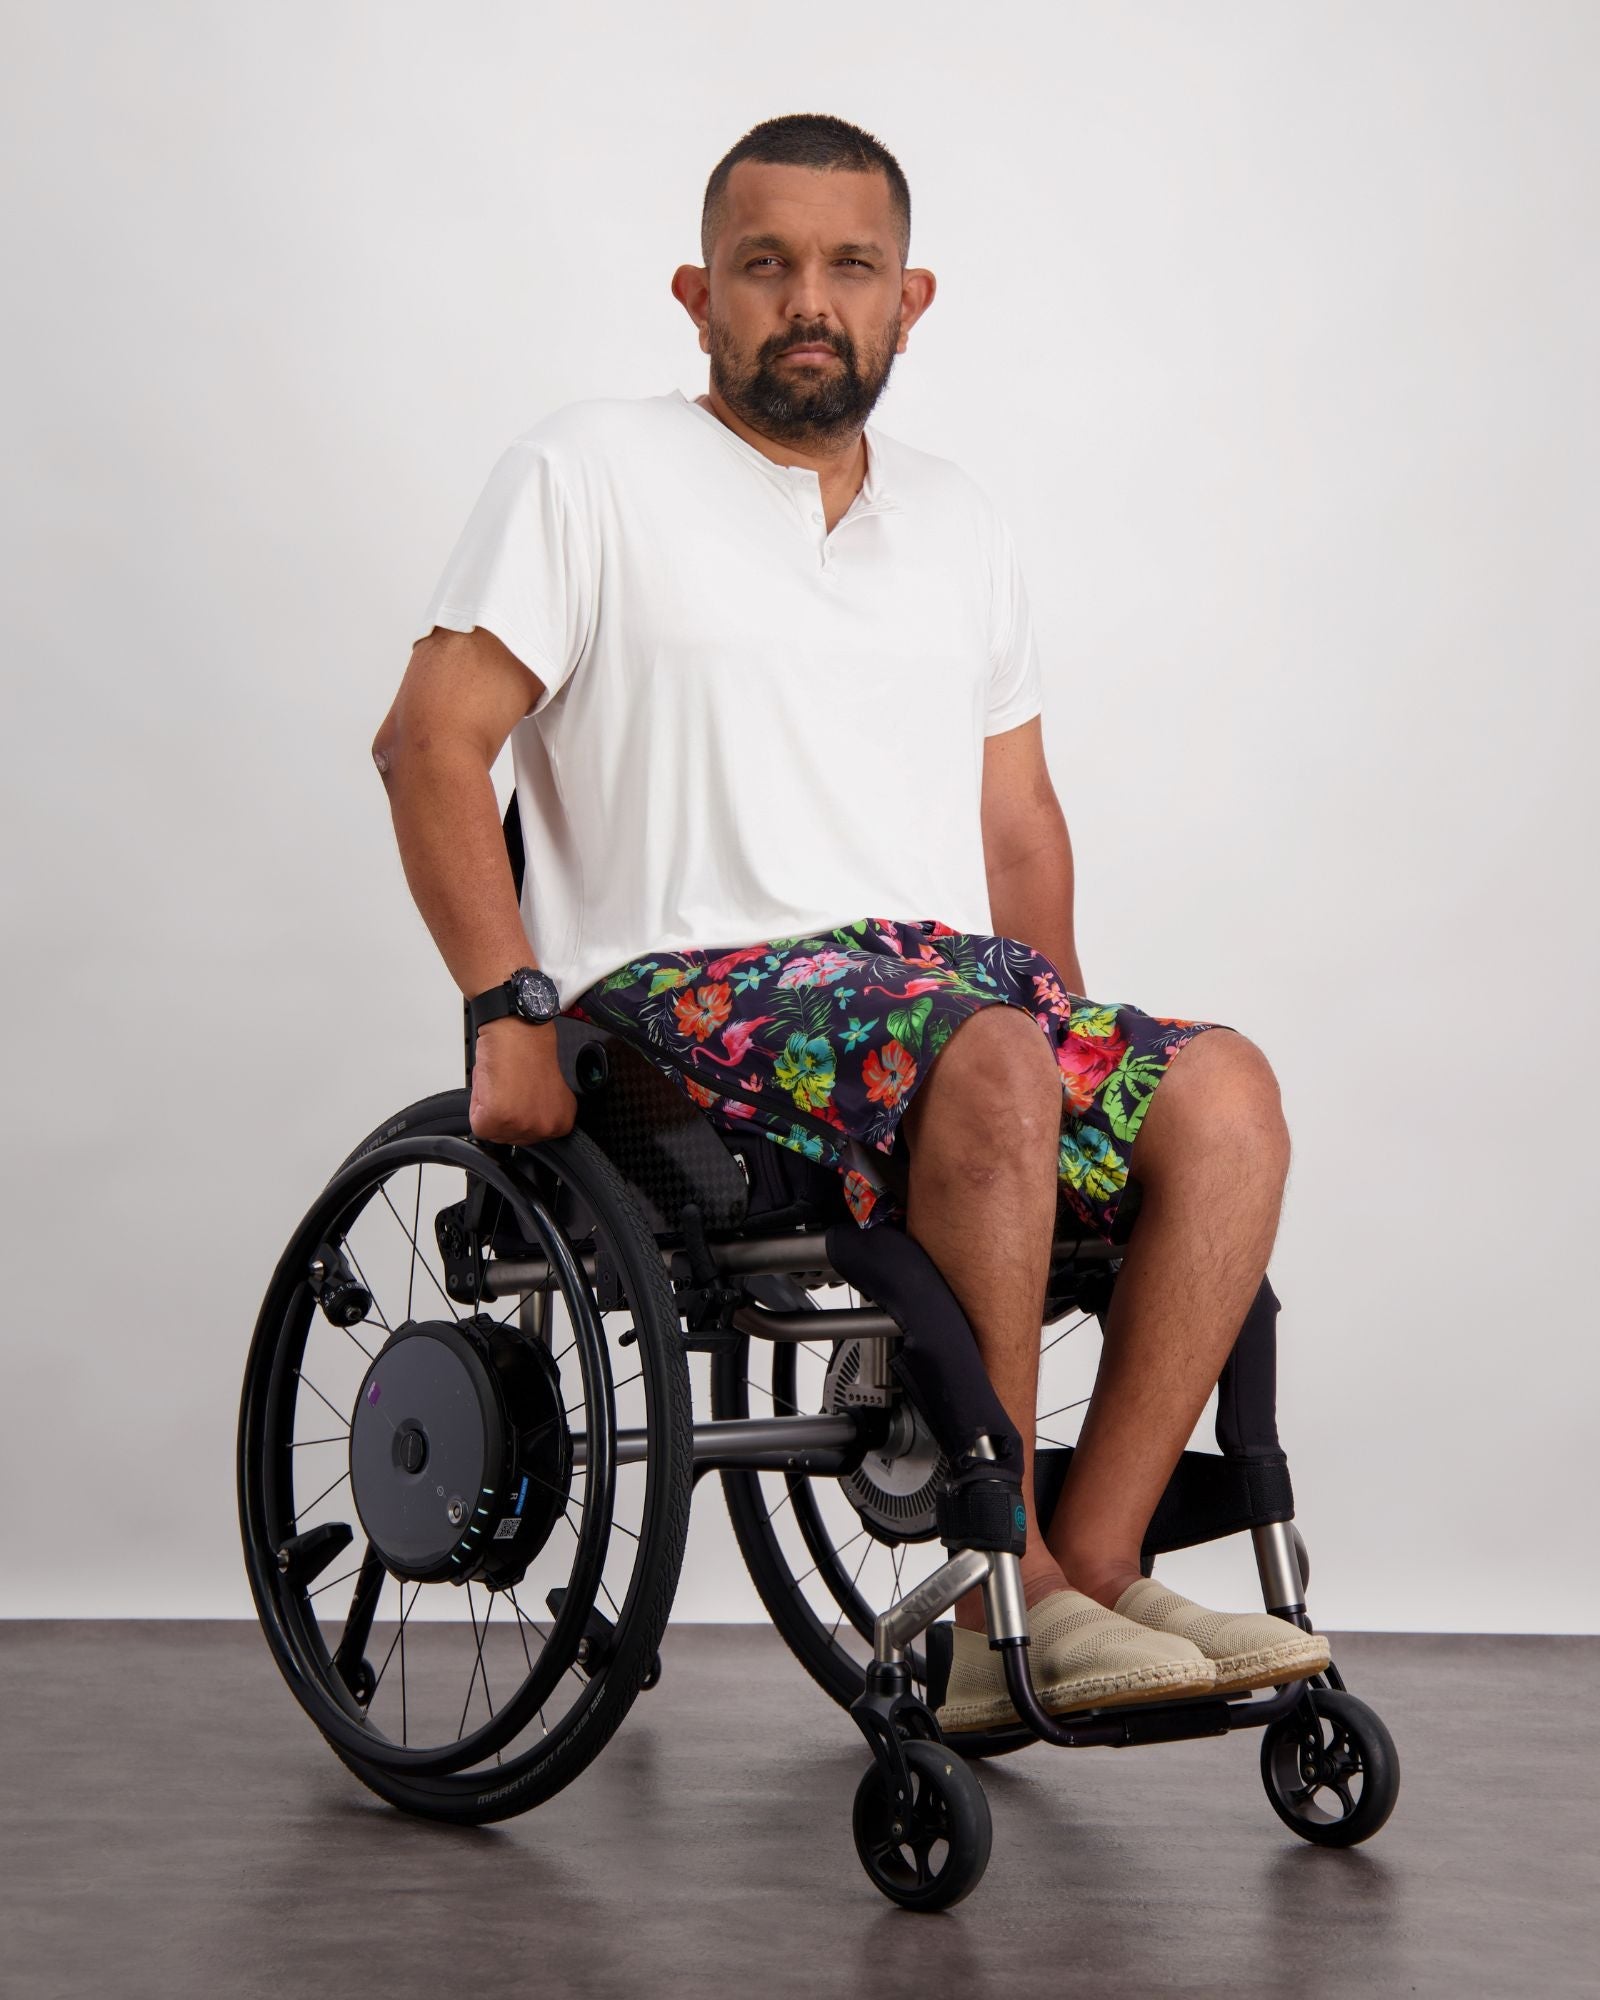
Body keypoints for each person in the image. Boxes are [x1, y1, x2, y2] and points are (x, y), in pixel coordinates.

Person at [370, 112, 1328, 1733]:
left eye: (849, 268)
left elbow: (1017, 823)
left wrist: (1067, 1077)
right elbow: (427, 742)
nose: (808, 299)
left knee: (1225, 1096)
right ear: (698, 296)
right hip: (683, 996)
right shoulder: (585, 471)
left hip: (939, 999)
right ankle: (1001, 1581)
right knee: (994, 1063)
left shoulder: (960, 521)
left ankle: (1075, 1577)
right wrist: (502, 1000)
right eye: (766, 266)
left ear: (911, 299)